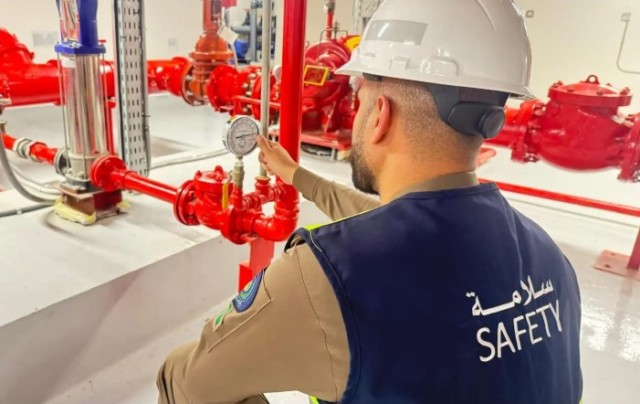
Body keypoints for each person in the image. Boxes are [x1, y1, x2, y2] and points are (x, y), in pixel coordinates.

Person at [157, 0, 583, 403]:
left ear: (380, 114)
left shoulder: (326, 277)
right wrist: (296, 176)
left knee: (178, 370)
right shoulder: (550, 257)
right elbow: (395, 223)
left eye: (357, 100)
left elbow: (190, 382)